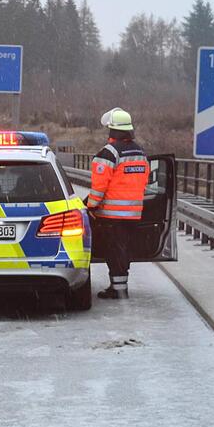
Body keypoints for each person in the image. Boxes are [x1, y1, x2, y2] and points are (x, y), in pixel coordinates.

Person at [87, 108, 150, 299]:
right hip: (134, 214)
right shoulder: (140, 152)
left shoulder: (109, 153)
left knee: (114, 251)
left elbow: (99, 186)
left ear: (112, 131)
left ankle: (118, 289)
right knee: (124, 250)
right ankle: (120, 286)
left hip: (112, 215)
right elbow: (145, 180)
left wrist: (91, 206)